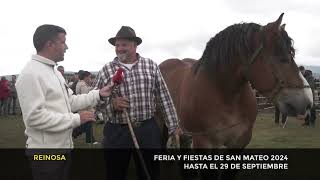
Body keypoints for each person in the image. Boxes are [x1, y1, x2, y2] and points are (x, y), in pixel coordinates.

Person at [15, 24, 113, 180]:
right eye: (63, 42)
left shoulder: (54, 72)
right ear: (50, 44)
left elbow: (70, 101)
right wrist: (77, 118)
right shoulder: (30, 74)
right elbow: (34, 118)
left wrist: (98, 94)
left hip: (63, 149)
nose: (66, 46)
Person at [94, 26, 180, 180]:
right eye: (117, 45)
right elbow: (95, 103)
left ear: (135, 45)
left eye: (124, 45)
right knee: (115, 173)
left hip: (147, 129)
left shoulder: (150, 66)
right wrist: (112, 104)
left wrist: (173, 126)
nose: (119, 49)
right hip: (116, 132)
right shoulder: (107, 69)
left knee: (150, 172)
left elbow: (164, 97)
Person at [75, 71, 98, 144]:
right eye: (89, 77)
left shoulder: (81, 83)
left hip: (82, 108)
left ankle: (88, 139)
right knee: (87, 125)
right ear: (85, 77)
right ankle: (76, 133)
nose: (90, 79)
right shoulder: (83, 85)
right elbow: (86, 98)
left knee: (87, 125)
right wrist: (92, 109)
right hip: (85, 108)